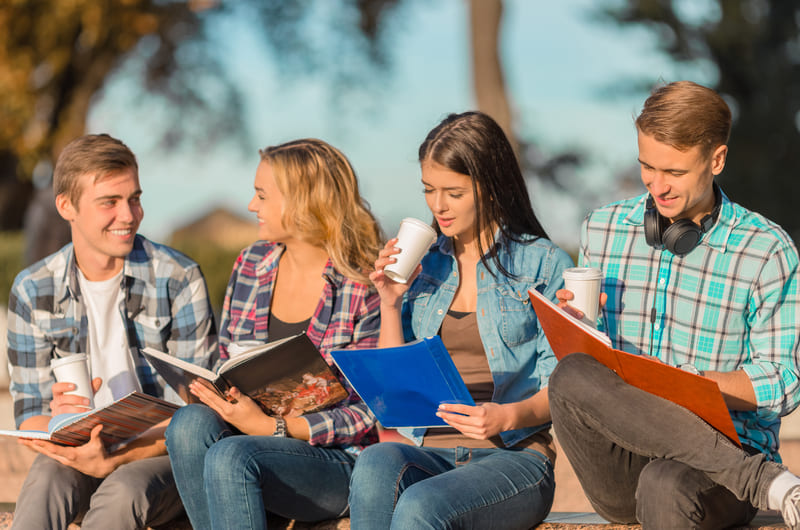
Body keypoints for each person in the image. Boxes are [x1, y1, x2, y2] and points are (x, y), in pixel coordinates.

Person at [548, 80, 800, 529]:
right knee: (570, 374)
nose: (657, 187)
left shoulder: (767, 250)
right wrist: (578, 328)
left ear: (717, 160)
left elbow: (784, 381)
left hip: (719, 460)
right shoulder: (602, 229)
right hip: (622, 462)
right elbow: (589, 373)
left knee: (665, 484)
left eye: (675, 173)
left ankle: (751, 475)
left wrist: (696, 385)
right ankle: (768, 483)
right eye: (647, 167)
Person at [347, 111, 574, 529]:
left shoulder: (544, 263)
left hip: (512, 455)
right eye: (429, 190)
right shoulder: (425, 265)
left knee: (421, 506)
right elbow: (395, 391)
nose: (437, 206)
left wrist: (507, 416)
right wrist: (391, 302)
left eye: (453, 192)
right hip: (430, 451)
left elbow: (562, 383)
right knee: (376, 460)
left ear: (490, 186)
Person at [164, 138, 383, 529]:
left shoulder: (363, 284)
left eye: (262, 195)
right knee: (189, 424)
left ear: (302, 202)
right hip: (249, 441)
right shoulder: (251, 264)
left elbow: (370, 411)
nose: (251, 206)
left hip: (333, 460)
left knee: (232, 457)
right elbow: (229, 363)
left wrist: (273, 428)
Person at [6, 133, 218, 530]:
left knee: (121, 493)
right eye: (110, 202)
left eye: (134, 199)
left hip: (159, 455)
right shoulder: (33, 288)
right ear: (66, 206)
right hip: (76, 450)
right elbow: (30, 416)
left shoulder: (178, 278)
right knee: (45, 481)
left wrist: (116, 456)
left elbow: (199, 413)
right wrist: (57, 421)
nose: (129, 215)